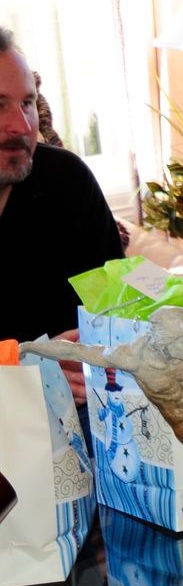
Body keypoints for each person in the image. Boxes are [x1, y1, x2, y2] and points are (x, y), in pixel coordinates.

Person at [0, 28, 123, 403]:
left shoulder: (67, 180)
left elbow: (115, 304)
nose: (22, 126)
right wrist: (24, 374)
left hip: (87, 405)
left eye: (27, 103)